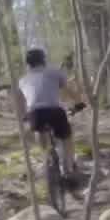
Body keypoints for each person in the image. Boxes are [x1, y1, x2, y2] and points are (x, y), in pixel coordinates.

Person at [15, 47, 86, 177]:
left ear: (28, 63)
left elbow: (19, 102)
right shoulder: (54, 73)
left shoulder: (22, 80)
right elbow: (69, 91)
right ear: (43, 60)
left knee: (39, 130)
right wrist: (79, 103)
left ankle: (46, 157)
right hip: (54, 111)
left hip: (35, 113)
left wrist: (23, 116)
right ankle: (68, 167)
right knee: (67, 137)